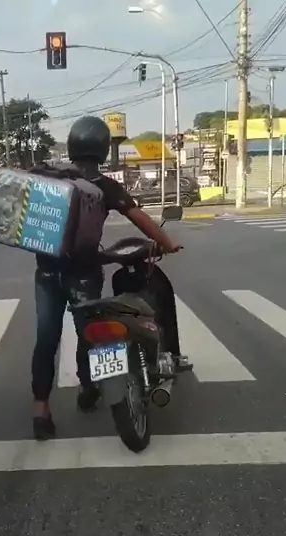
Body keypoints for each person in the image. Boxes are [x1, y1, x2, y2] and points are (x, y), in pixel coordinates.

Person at [31, 116, 191, 441]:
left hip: (47, 274)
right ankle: (88, 387)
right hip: (84, 276)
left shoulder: (52, 178)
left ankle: (41, 409)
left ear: (72, 146)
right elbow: (139, 217)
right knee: (88, 334)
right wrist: (167, 242)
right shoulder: (104, 186)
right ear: (104, 149)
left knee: (46, 339)